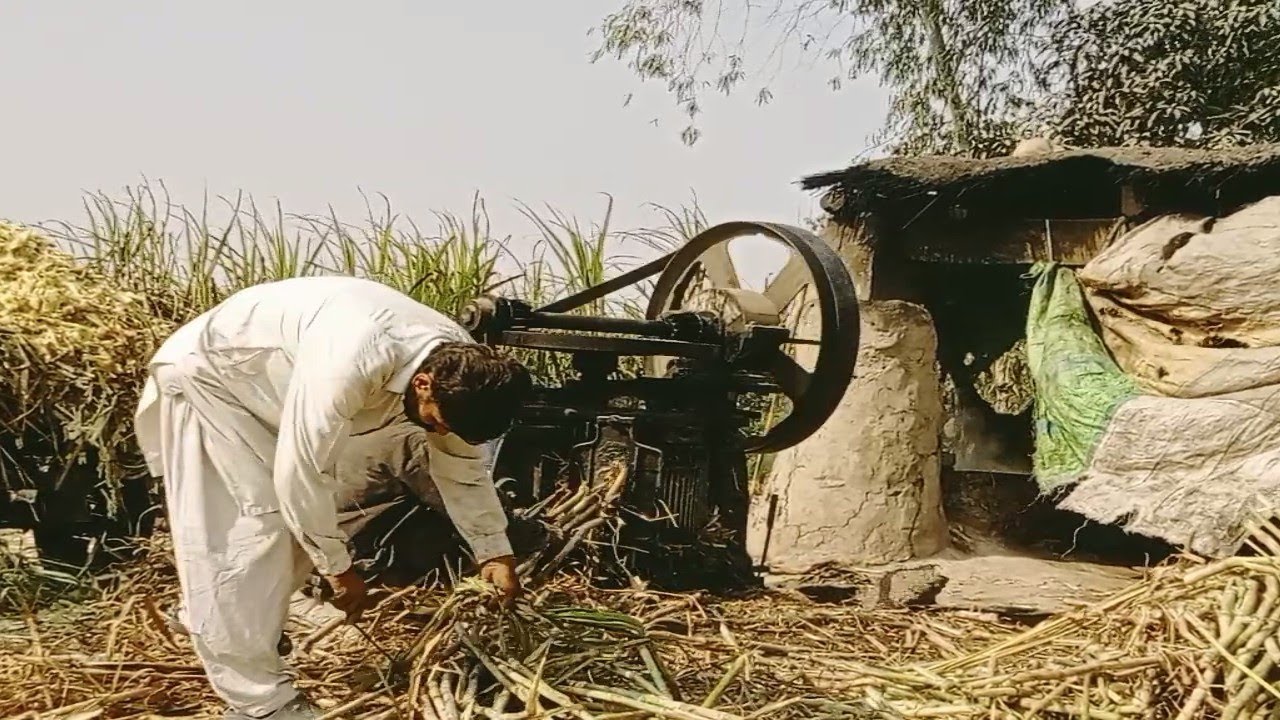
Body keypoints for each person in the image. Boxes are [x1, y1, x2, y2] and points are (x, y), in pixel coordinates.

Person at [133, 275, 533, 720]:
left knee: (294, 533)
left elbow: (461, 468)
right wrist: (340, 572)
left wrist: (494, 552)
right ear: (423, 384)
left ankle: (214, 619)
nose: (438, 433)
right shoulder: (351, 360)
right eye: (436, 422)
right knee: (251, 531)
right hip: (212, 380)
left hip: (270, 397)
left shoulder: (460, 369)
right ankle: (260, 704)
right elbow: (300, 474)